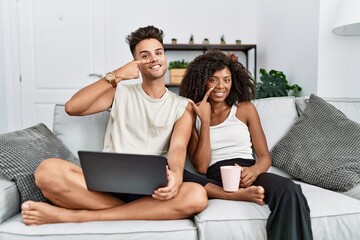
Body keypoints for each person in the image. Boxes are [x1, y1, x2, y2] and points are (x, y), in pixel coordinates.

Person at [21, 25, 208, 225]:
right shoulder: (121, 92)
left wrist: (177, 178)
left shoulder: (182, 105)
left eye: (158, 52)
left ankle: (76, 216)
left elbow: (178, 148)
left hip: (151, 187)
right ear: (135, 63)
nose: (154, 58)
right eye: (144, 55)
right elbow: (72, 107)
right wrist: (115, 75)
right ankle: (139, 212)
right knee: (47, 171)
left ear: (165, 57)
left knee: (196, 195)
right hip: (106, 185)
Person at [179, 50, 313, 240]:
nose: (221, 86)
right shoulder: (193, 116)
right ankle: (234, 194)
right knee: (177, 173)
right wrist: (205, 121)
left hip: (247, 173)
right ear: (202, 81)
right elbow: (201, 167)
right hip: (216, 179)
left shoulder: (245, 109)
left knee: (290, 189)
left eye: (226, 80)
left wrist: (254, 172)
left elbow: (265, 156)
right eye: (214, 79)